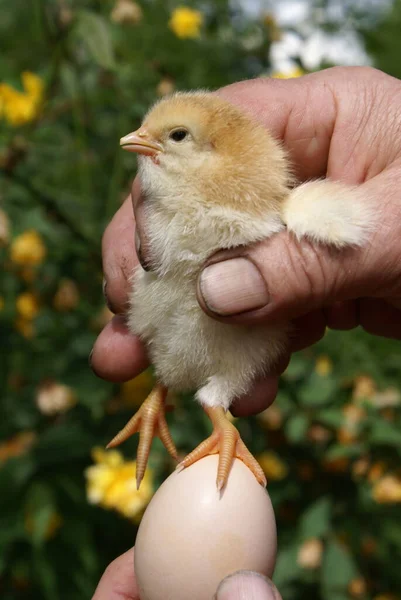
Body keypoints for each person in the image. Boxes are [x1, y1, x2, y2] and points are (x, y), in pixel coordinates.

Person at [90, 66, 401, 600]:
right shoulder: (165, 215)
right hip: (166, 340)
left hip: (230, 362)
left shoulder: (275, 216)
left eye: (175, 137)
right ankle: (164, 395)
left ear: (215, 151)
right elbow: (153, 305)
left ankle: (216, 411)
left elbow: (354, 227)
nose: (140, 141)